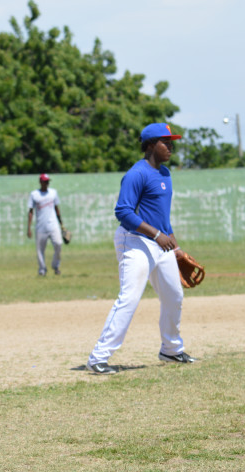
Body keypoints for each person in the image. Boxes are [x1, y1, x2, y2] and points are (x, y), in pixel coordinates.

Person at [86, 123, 197, 375]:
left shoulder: (165, 173)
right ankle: (98, 358)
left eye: (172, 142)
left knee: (174, 295)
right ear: (150, 145)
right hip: (135, 241)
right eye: (164, 142)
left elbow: (163, 217)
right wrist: (157, 236)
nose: (170, 146)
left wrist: (175, 247)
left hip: (161, 244)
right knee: (130, 297)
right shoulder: (137, 174)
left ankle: (171, 349)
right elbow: (123, 212)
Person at [27, 173, 65, 276]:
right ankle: (42, 269)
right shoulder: (34, 194)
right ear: (40, 182)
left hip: (53, 225)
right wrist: (29, 228)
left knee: (58, 244)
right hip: (40, 226)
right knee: (40, 250)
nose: (47, 183)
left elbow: (57, 208)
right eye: (45, 181)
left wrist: (61, 224)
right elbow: (30, 211)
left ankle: (55, 265)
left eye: (48, 181)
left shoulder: (53, 193)